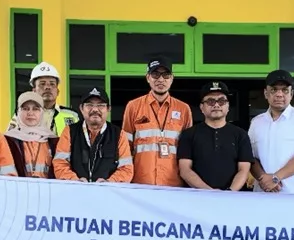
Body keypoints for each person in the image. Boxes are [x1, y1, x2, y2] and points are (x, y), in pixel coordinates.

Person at [123, 58, 193, 187]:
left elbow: (189, 149)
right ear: (148, 78)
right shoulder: (133, 106)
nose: (161, 79)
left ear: (172, 78)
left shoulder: (183, 109)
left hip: (174, 183)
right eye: (155, 74)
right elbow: (125, 147)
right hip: (141, 181)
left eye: (166, 75)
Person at [249, 69, 294, 194]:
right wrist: (263, 179)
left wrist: (275, 178)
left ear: (291, 94)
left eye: (284, 90)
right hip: (263, 193)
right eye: (274, 90)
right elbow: (250, 157)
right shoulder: (256, 122)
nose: (279, 94)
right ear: (266, 93)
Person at [177, 82, 253, 191]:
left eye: (221, 101)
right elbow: (185, 170)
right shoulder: (188, 134)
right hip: (197, 197)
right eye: (210, 101)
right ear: (202, 107)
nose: (216, 105)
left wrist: (229, 192)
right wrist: (210, 193)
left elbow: (244, 170)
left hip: (233, 197)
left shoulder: (241, 135)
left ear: (228, 106)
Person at [53, 87, 135, 183]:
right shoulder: (70, 131)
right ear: (81, 108)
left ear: (108, 109)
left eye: (100, 105)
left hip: (108, 191)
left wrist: (109, 182)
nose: (95, 109)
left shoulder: (118, 134)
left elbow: (126, 169)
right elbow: (60, 163)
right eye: (89, 105)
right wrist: (75, 181)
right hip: (75, 189)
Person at [4, 90, 58, 178]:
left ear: (42, 112)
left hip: (49, 187)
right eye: (25, 109)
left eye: (35, 109)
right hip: (17, 187)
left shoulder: (54, 141)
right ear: (18, 112)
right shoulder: (7, 140)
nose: (30, 113)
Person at [26, 62, 79, 135]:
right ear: (34, 91)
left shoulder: (72, 115)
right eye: (42, 84)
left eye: (52, 84)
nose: (47, 87)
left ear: (57, 91)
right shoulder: (23, 115)